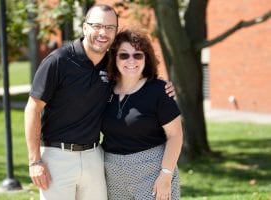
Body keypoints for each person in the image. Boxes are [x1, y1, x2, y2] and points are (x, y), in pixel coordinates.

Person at [24, 4, 175, 200]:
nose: (103, 32)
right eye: (97, 26)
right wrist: (35, 161)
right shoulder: (59, 61)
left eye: (110, 27)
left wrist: (163, 86)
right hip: (57, 156)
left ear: (115, 31)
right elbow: (33, 109)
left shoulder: (112, 63)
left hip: (94, 156)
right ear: (85, 27)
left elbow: (136, 75)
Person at [101, 29, 183, 200]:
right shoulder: (104, 89)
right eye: (124, 55)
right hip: (112, 176)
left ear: (146, 59)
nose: (131, 61)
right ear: (114, 58)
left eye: (138, 55)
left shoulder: (159, 91)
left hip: (152, 174)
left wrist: (166, 175)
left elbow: (175, 135)